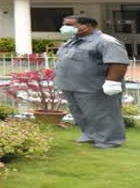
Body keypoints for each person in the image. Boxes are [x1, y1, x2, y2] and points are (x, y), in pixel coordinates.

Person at [54, 15, 130, 149]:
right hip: (72, 85)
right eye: (65, 24)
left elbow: (118, 62)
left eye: (71, 25)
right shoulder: (73, 41)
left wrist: (112, 82)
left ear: (87, 26)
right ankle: (90, 135)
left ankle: (109, 141)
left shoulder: (106, 41)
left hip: (94, 86)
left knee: (103, 114)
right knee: (81, 114)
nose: (65, 28)